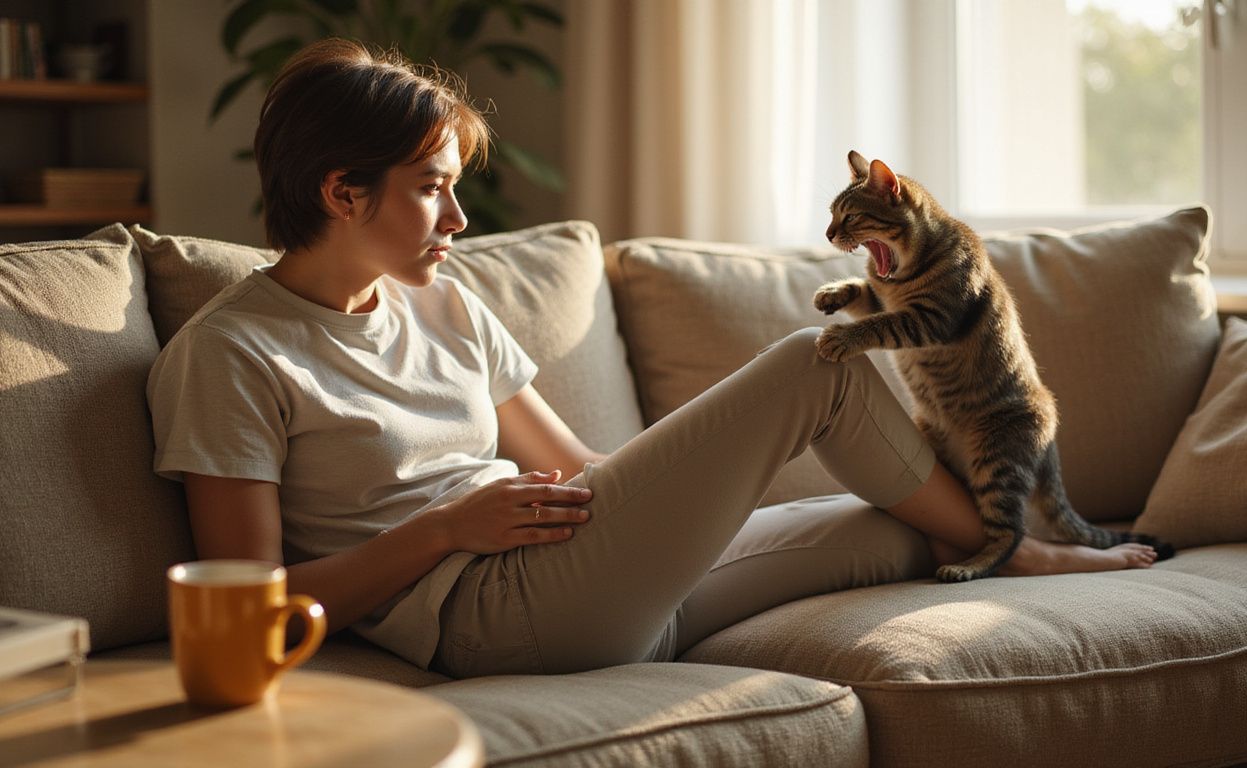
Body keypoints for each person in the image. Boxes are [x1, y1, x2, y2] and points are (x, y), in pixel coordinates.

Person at [146, 39, 1158, 677]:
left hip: (600, 579)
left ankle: (983, 542)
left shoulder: (445, 302)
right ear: (341, 192)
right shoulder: (230, 356)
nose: (458, 217)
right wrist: (451, 525)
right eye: (429, 188)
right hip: (486, 618)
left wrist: (673, 497)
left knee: (897, 531)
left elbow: (583, 470)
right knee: (823, 359)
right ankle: (1016, 546)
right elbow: (252, 611)